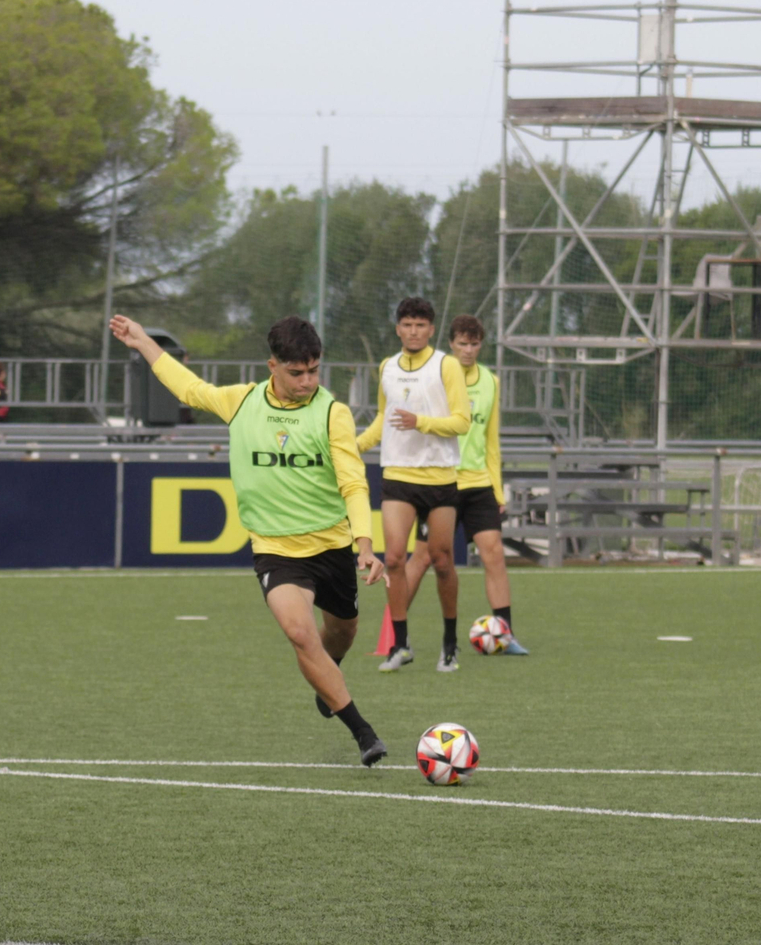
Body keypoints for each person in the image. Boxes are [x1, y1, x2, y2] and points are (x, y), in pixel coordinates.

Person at [110, 312, 390, 765]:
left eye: (314, 371)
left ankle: (328, 678)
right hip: (276, 550)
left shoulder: (332, 413)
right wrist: (142, 341)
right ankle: (363, 733)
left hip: (332, 546)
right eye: (296, 372)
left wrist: (364, 545)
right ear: (272, 366)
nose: (307, 381)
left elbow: (354, 483)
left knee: (342, 632)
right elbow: (187, 388)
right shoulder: (241, 402)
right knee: (300, 633)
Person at [355, 297, 471, 673]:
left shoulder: (446, 365)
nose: (413, 331)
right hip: (398, 475)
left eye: (420, 324)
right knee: (393, 559)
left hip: (439, 476)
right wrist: (352, 448)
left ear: (431, 329)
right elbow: (382, 421)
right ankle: (401, 645)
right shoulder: (387, 367)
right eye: (407, 324)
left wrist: (421, 421)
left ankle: (449, 644)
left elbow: (462, 421)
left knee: (441, 561)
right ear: (397, 328)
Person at [401, 315, 528, 654]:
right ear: (451, 344)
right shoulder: (437, 378)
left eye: (474, 344)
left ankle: (506, 635)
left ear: (479, 345)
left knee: (494, 554)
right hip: (442, 483)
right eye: (462, 344)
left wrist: (497, 490)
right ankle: (393, 634)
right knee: (423, 558)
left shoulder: (491, 381)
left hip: (479, 485)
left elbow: (491, 441)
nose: (468, 350)